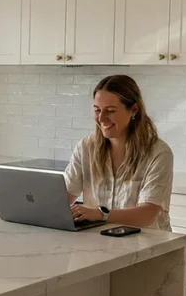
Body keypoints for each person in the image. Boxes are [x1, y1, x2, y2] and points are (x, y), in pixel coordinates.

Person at [65, 75, 174, 231]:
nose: (101, 118)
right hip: (99, 243)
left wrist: (100, 214)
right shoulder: (85, 147)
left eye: (110, 111)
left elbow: (147, 214)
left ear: (134, 110)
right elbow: (64, 198)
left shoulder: (159, 153)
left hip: (149, 246)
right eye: (97, 110)